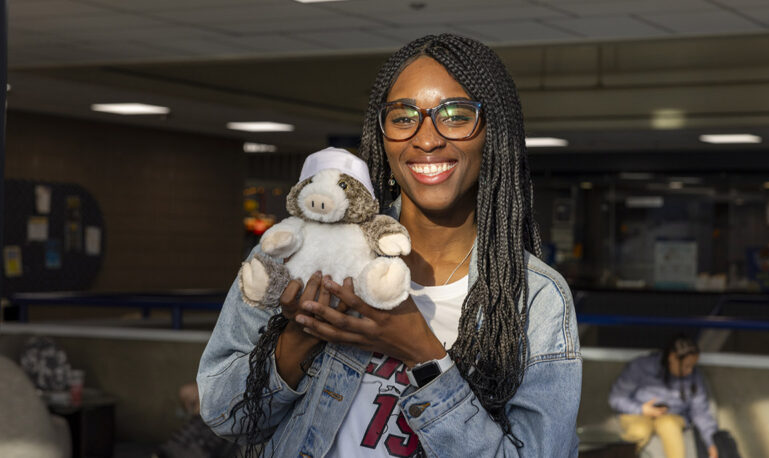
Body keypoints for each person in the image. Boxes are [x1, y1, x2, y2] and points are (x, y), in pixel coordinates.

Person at [197, 33, 582, 457]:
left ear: (494, 132)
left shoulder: (537, 297)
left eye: (455, 115)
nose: (427, 138)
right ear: (382, 135)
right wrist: (302, 333)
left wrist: (423, 353)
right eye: (403, 117)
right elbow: (224, 416)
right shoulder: (301, 250)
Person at [608, 335, 720, 458]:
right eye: (687, 366)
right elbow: (616, 398)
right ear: (672, 357)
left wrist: (712, 442)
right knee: (640, 430)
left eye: (693, 366)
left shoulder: (694, 377)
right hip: (637, 414)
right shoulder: (641, 366)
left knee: (669, 425)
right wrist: (641, 409)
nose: (690, 371)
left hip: (673, 417)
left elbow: (700, 412)